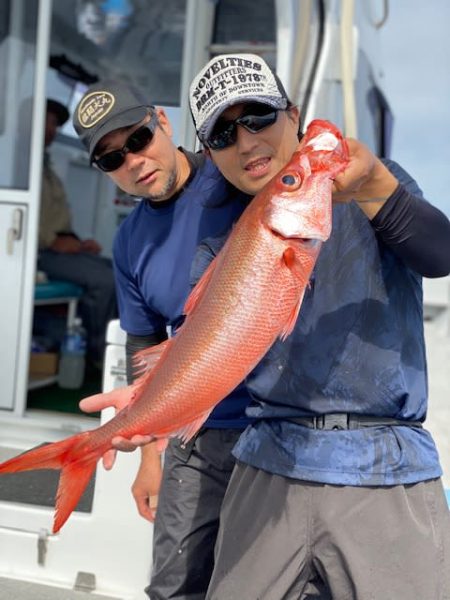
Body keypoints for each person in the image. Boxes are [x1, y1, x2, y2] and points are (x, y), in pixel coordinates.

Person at [91, 54, 450, 599]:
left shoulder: (373, 187)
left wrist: (377, 185)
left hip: (383, 464)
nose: (247, 141)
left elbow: (440, 254)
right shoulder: (216, 239)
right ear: (211, 152)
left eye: (259, 117)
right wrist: (154, 408)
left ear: (294, 114)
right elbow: (211, 342)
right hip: (266, 462)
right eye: (224, 134)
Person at [72, 80, 254, 599]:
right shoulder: (129, 241)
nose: (133, 161)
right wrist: (152, 454)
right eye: (111, 160)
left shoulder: (235, 177)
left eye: (138, 139)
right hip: (194, 438)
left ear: (163, 122)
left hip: (275, 422)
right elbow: (143, 344)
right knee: (174, 587)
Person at [38, 99, 117, 366]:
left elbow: (55, 223)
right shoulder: (19, 163)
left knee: (117, 270)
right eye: (47, 122)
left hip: (56, 249)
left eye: (54, 125)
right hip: (37, 254)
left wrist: (79, 243)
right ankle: (97, 355)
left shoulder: (46, 168)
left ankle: (114, 345)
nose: (51, 129)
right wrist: (53, 241)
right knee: (105, 280)